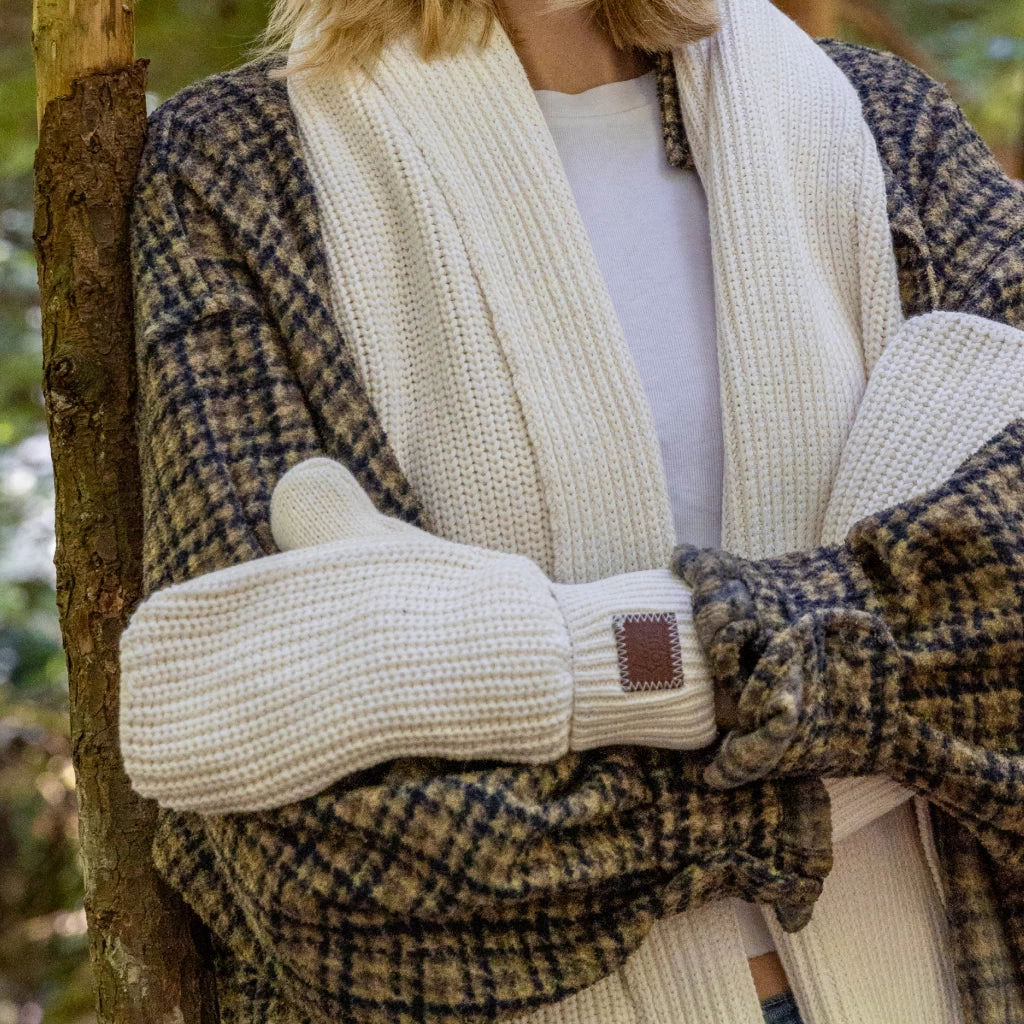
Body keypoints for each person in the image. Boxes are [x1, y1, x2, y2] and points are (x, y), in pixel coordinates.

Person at [117, 0, 1024, 1021]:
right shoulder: (238, 168)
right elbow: (310, 862)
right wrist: (871, 722)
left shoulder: (882, 124)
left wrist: (572, 661)